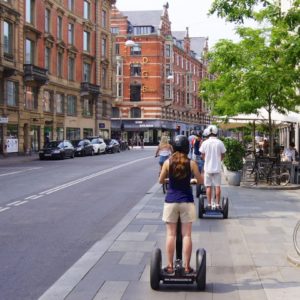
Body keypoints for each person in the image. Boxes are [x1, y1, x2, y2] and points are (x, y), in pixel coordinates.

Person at [159, 135, 203, 274]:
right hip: (186, 201)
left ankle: (170, 266)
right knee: (187, 235)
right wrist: (193, 181)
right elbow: (200, 180)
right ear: (186, 147)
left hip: (171, 201)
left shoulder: (167, 162)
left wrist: (169, 179)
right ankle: (187, 267)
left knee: (171, 235)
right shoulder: (192, 163)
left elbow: (161, 180)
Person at [200, 125, 226, 209]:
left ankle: (209, 204)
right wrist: (219, 160)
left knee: (208, 186)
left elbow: (202, 155)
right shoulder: (220, 142)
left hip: (207, 168)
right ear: (216, 132)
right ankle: (218, 204)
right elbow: (223, 154)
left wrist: (206, 160)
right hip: (217, 168)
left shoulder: (205, 142)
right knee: (217, 186)